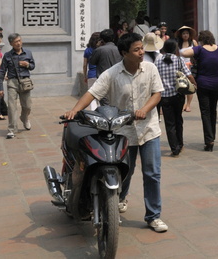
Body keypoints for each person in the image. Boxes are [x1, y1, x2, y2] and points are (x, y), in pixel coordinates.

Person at [65, 33, 169, 233]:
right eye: (136, 50)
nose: (141, 53)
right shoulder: (112, 74)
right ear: (124, 53)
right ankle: (118, 200)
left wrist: (144, 110)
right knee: (123, 172)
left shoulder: (150, 68)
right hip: (123, 132)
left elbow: (157, 94)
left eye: (141, 49)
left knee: (152, 173)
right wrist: (75, 110)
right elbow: (92, 93)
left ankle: (153, 216)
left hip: (149, 129)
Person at [180, 30, 218, 151]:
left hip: (203, 83)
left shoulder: (200, 49)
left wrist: (194, 50)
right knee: (213, 111)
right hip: (217, 83)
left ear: (201, 39)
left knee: (205, 112)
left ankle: (209, 140)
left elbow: (183, 53)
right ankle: (212, 136)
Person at [156, 39, 195, 156]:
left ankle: (174, 147)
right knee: (178, 119)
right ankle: (180, 143)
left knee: (169, 123)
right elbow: (188, 74)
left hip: (164, 96)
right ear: (175, 49)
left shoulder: (157, 61)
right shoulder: (179, 60)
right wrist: (194, 83)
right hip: (178, 95)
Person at [0, 33, 35, 139]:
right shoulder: (7, 55)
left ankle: (24, 118)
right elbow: (2, 71)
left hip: (25, 83)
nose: (19, 43)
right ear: (11, 44)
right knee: (11, 107)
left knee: (27, 106)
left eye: (20, 40)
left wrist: (27, 65)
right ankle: (11, 129)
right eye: (16, 41)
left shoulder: (28, 53)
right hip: (12, 83)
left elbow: (33, 66)